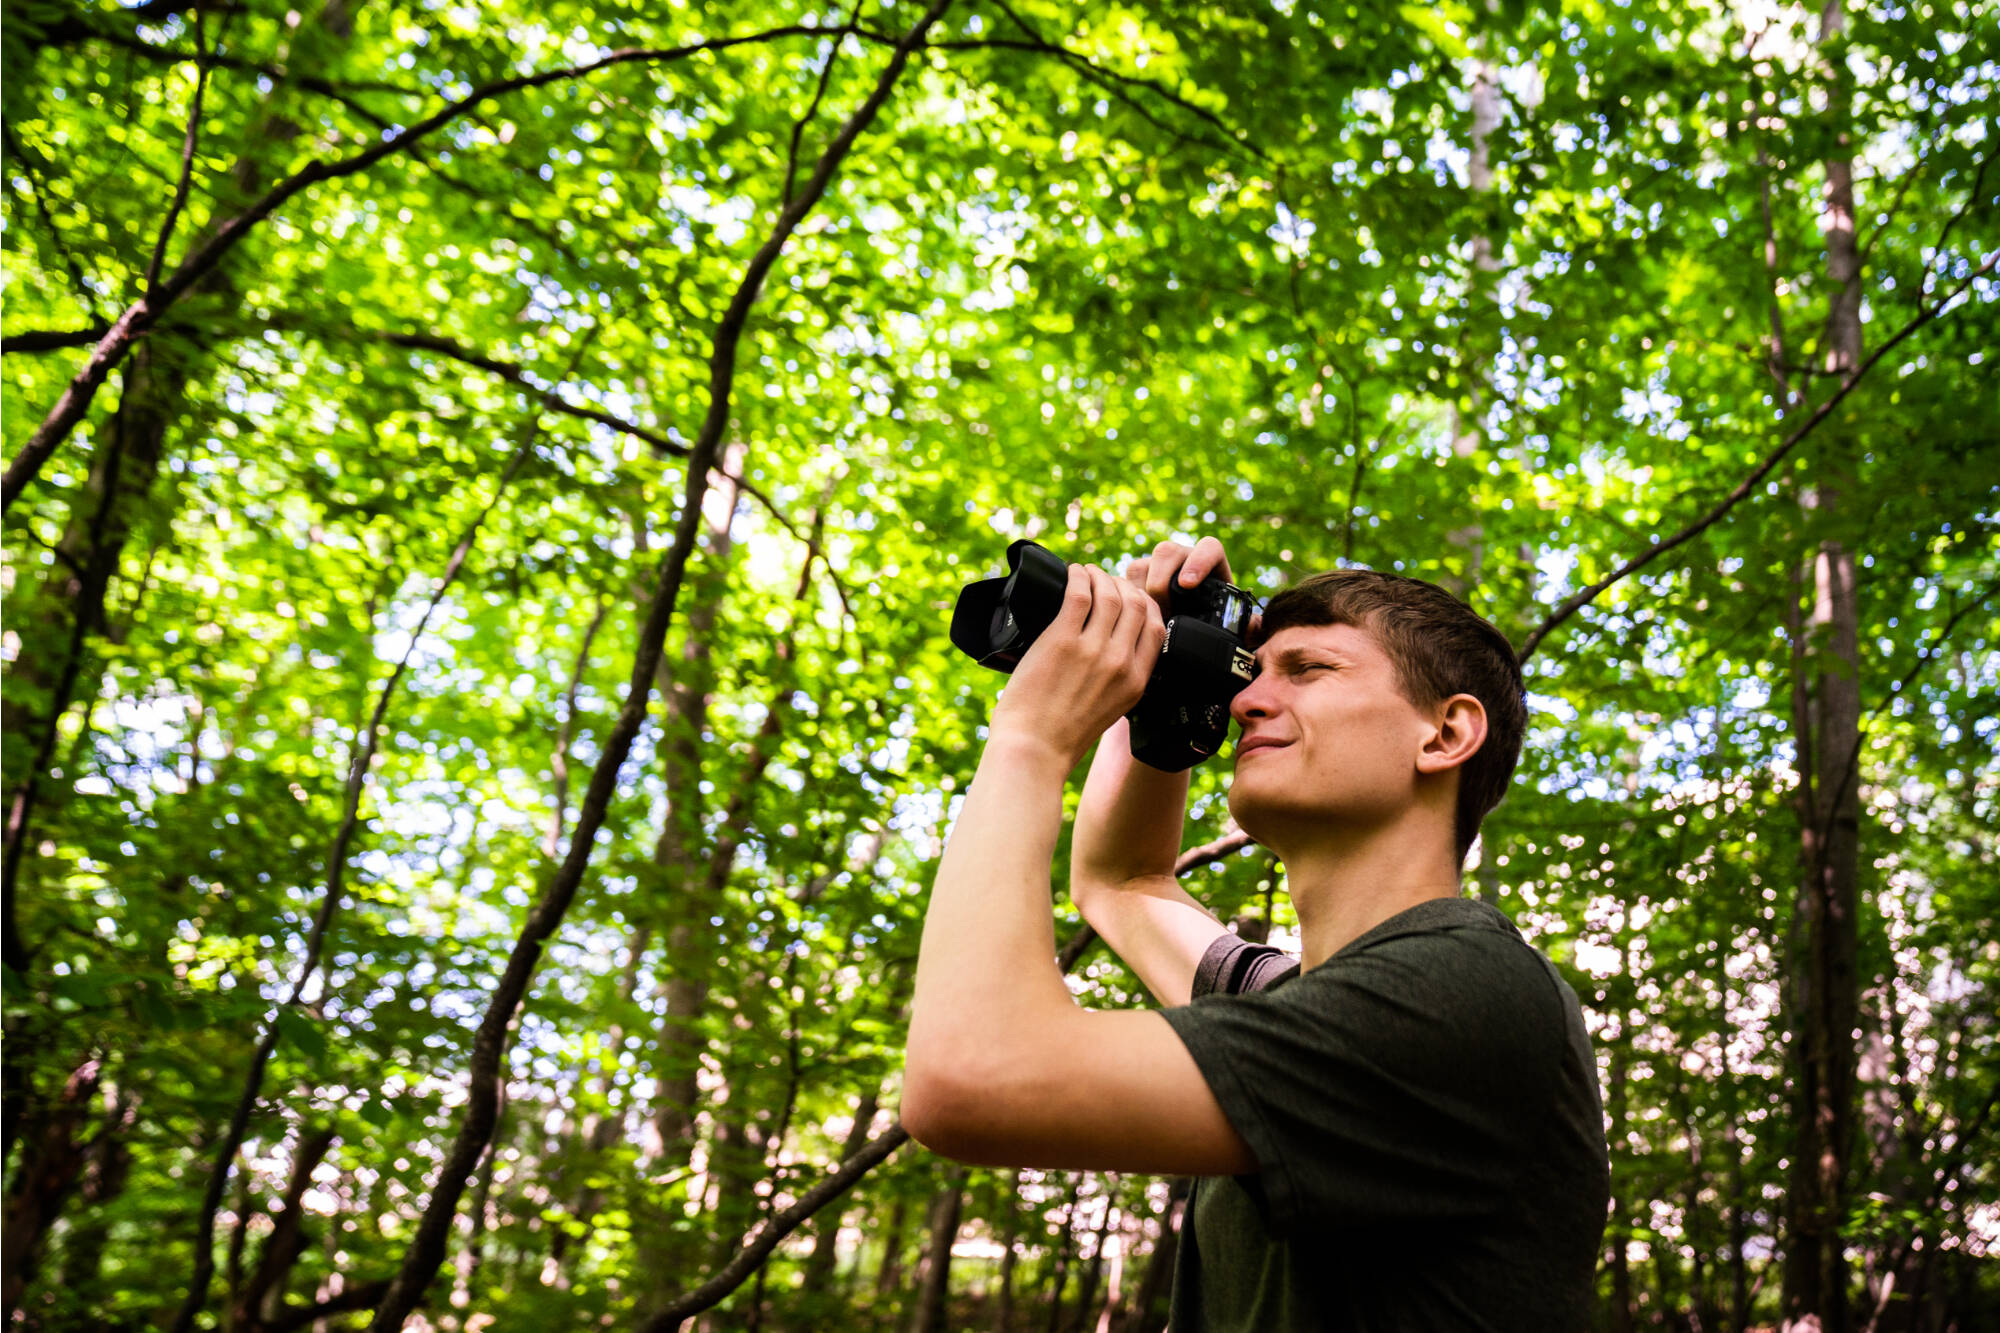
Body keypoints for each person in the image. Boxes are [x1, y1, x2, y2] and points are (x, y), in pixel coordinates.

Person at [903, 537, 1610, 1330]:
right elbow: (1123, 881)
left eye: (1308, 670)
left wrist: (1029, 737)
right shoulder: (1297, 1004)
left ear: (1444, 734)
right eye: (1250, 673)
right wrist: (1165, 681)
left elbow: (972, 1074)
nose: (1244, 701)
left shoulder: (1465, 989)